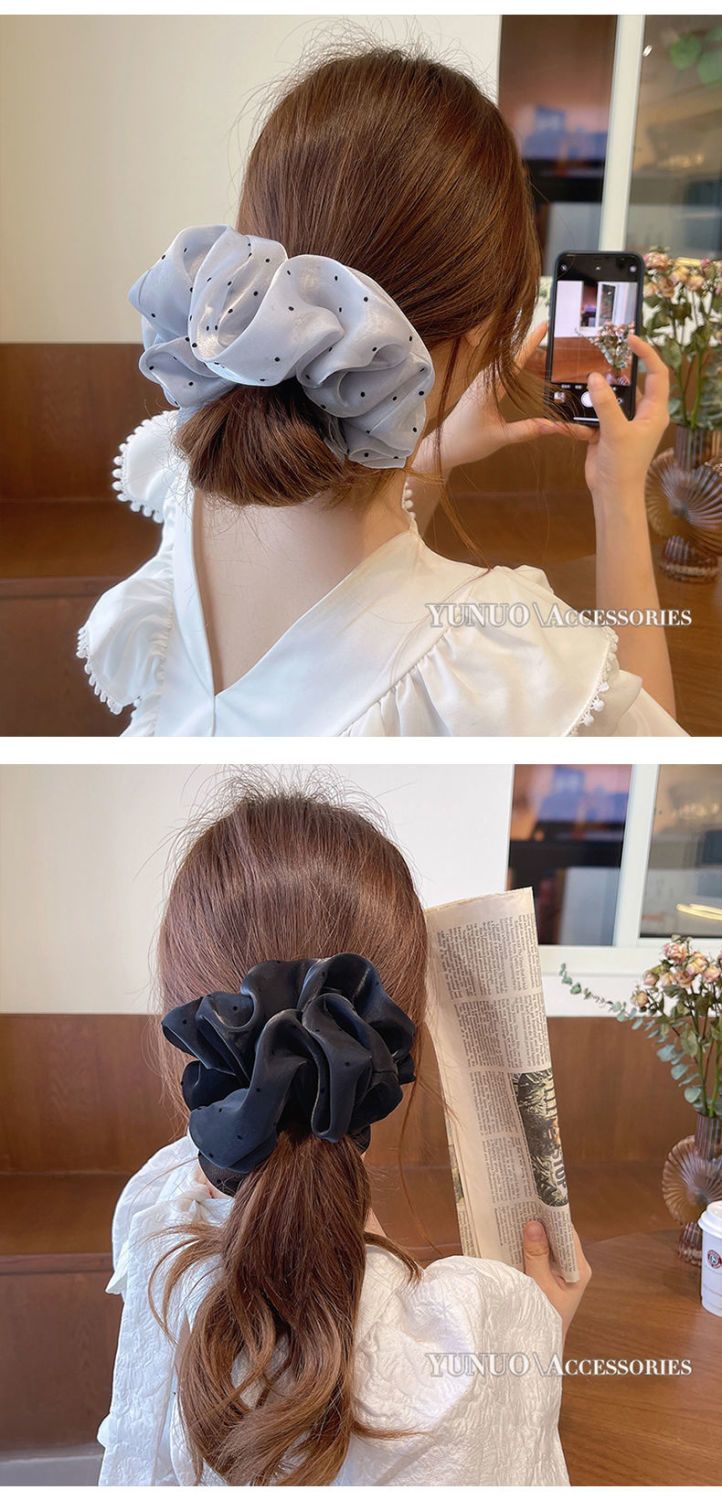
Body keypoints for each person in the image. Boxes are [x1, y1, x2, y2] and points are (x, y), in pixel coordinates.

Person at [79, 46, 683, 738]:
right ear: (482, 329)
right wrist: (618, 491)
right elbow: (657, 748)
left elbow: (341, 554)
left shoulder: (191, 475)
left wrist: (432, 451)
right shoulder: (489, 657)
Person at [97, 785, 590, 1485]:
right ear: (397, 1041)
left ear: (190, 1033)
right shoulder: (476, 1339)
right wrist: (536, 1342)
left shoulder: (156, 1220)